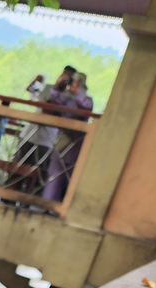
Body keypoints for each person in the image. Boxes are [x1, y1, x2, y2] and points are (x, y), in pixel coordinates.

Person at [13, 65, 77, 191]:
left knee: (36, 171)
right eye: (63, 75)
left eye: (68, 77)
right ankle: (10, 192)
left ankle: (26, 196)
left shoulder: (68, 98)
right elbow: (31, 90)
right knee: (18, 165)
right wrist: (36, 79)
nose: (64, 79)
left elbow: (54, 112)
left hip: (47, 140)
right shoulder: (47, 88)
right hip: (29, 134)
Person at [41, 72, 93, 202]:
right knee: (54, 174)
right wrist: (58, 84)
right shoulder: (66, 98)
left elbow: (87, 108)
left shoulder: (86, 99)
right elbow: (54, 99)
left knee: (71, 177)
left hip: (76, 144)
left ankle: (62, 205)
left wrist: (78, 93)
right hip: (62, 140)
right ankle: (48, 203)